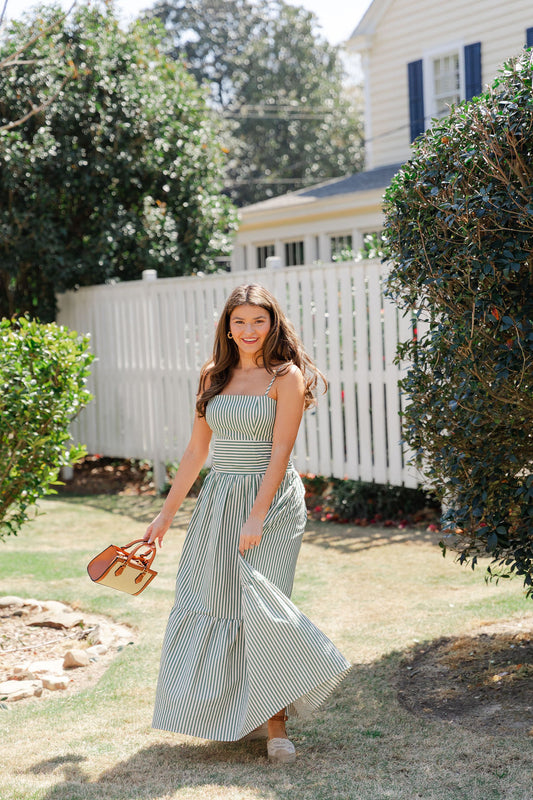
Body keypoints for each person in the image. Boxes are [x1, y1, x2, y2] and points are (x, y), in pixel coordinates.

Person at [144, 283, 351, 764]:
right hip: (219, 498)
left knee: (261, 601)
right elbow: (198, 452)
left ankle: (276, 725)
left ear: (273, 323)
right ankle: (229, 711)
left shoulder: (286, 377)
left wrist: (256, 514)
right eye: (240, 321)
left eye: (259, 320)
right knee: (211, 597)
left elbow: (280, 452)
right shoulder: (212, 375)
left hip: (271, 499)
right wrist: (165, 514)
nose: (249, 330)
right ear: (227, 327)